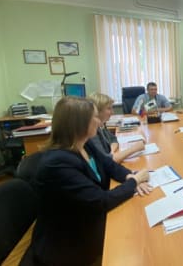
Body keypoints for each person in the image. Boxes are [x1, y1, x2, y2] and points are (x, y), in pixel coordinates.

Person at [26, 97, 152, 266]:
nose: (99, 121)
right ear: (79, 123)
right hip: (68, 243)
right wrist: (134, 182)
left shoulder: (84, 144)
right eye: (95, 117)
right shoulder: (57, 164)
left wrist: (129, 175)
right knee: (137, 238)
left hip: (85, 219)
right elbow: (100, 201)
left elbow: (109, 165)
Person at [88, 92, 145, 163]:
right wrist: (135, 148)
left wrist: (111, 151)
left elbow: (113, 139)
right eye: (109, 108)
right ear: (97, 111)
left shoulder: (101, 125)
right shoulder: (91, 132)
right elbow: (107, 161)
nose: (112, 112)